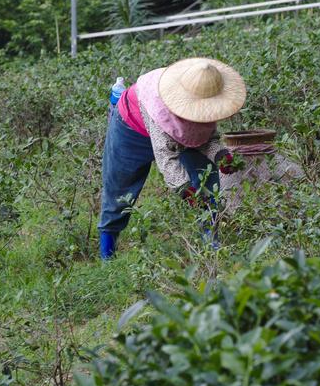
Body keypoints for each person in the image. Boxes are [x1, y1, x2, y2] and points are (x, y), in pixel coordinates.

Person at [98, 57, 247, 259]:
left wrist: (221, 156)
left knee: (207, 179)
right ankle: (107, 255)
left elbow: (205, 138)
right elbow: (166, 159)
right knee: (119, 189)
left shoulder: (206, 98)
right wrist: (187, 191)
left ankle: (211, 242)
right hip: (132, 124)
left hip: (176, 130)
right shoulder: (161, 110)